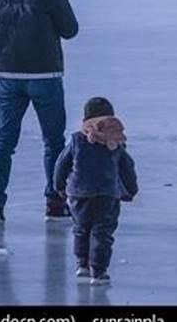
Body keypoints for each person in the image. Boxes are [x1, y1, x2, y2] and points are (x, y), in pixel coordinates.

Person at [0, 0, 79, 223]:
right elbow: (70, 29)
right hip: (44, 75)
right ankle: (54, 200)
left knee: (4, 141)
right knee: (53, 141)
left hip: (7, 73)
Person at [54, 97, 139, 286]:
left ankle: (82, 264)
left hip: (78, 194)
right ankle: (98, 272)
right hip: (107, 195)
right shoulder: (115, 142)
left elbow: (62, 164)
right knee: (102, 232)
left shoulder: (77, 139)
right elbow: (127, 167)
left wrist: (59, 185)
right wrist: (131, 190)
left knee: (81, 229)